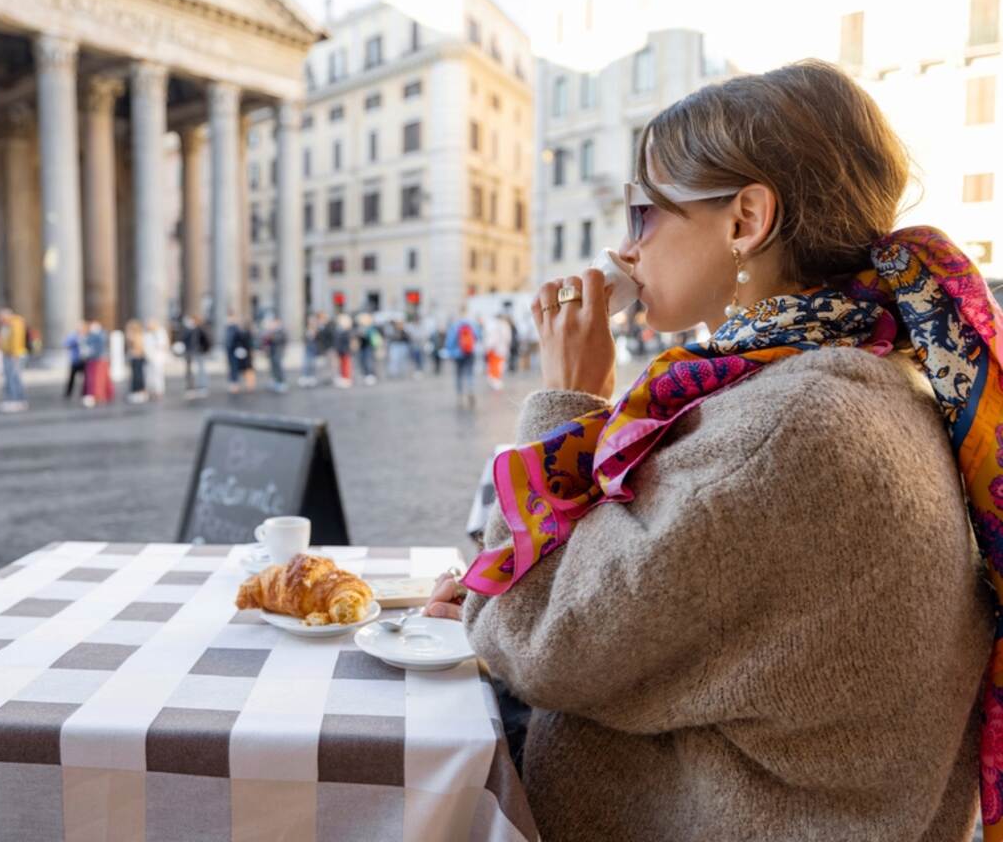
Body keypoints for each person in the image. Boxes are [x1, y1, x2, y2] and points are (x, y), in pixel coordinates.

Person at [426, 60, 996, 841]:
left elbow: (539, 642)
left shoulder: (791, 424)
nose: (625, 251)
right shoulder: (844, 377)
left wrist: (568, 404)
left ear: (745, 220)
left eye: (641, 213)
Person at [444, 309, 480, 407]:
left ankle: (460, 394)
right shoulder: (472, 324)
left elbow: (450, 341)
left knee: (459, 375)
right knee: (470, 373)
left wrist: (450, 352)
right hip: (470, 352)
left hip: (458, 354)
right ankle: (470, 390)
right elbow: (477, 337)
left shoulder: (455, 325)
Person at [0, 308, 29, 412]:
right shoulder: (7, 324)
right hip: (8, 354)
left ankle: (17, 401)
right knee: (10, 378)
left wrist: (14, 354)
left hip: (14, 355)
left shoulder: (15, 323)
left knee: (14, 378)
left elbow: (16, 339)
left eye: (0, 317)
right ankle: (12, 400)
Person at [83, 321, 113, 407]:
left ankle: (97, 395)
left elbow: (96, 348)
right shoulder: (100, 335)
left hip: (97, 359)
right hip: (100, 359)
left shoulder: (98, 336)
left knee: (96, 378)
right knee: (100, 378)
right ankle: (102, 395)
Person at [180, 315, 211, 398]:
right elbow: (183, 339)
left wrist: (204, 350)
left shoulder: (200, 329)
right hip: (189, 353)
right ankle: (190, 388)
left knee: (200, 370)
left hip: (199, 352)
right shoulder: (187, 330)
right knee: (189, 371)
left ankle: (202, 387)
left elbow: (206, 340)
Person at [482, 313, 512, 391]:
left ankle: (494, 379)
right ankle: (496, 380)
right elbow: (507, 338)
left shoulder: (493, 325)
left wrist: (488, 347)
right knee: (498, 365)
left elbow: (490, 338)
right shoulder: (504, 326)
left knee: (494, 365)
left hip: (494, 348)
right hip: (500, 349)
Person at [143, 318, 170, 400]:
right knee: (149, 375)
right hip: (149, 357)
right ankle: (150, 391)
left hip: (158, 357)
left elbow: (163, 344)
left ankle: (158, 391)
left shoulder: (160, 332)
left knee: (158, 375)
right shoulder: (147, 333)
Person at [261, 315, 288, 393]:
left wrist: (271, 335)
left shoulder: (281, 330)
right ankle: (275, 381)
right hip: (272, 351)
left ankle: (281, 382)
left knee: (278, 368)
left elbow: (278, 339)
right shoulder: (272, 330)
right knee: (273, 367)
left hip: (278, 351)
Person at [124, 319, 147, 403]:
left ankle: (140, 392)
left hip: (138, 358)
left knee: (138, 376)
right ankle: (135, 391)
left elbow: (139, 348)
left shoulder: (138, 336)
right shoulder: (133, 335)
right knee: (134, 376)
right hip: (134, 358)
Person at [63, 322, 88, 400]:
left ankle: (84, 392)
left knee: (86, 378)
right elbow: (66, 344)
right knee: (72, 378)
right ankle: (68, 393)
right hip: (75, 359)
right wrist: (75, 342)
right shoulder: (73, 335)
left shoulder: (86, 335)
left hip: (84, 360)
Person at [355, 312, 379, 386]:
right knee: (362, 361)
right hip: (362, 346)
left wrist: (363, 334)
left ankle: (371, 375)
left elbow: (371, 336)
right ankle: (366, 374)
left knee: (369, 360)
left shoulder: (371, 327)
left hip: (369, 346)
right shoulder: (360, 327)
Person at [332, 313, 353, 388]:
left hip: (344, 350)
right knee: (342, 365)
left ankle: (346, 378)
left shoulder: (346, 331)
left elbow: (346, 341)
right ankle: (343, 377)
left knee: (346, 365)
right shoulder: (340, 330)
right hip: (340, 350)